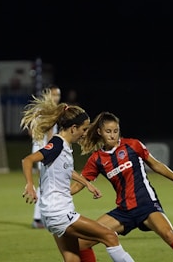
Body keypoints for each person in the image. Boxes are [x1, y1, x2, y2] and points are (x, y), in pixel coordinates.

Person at [20, 90, 135, 262]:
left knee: (73, 258)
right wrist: (29, 184)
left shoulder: (65, 146)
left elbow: (64, 170)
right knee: (109, 235)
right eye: (84, 129)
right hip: (58, 213)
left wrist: (87, 183)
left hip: (54, 212)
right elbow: (28, 160)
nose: (85, 133)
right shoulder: (57, 144)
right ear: (73, 128)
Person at [72, 111, 173, 262]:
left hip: (146, 204)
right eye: (108, 131)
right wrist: (57, 195)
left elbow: (156, 165)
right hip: (124, 210)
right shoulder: (97, 159)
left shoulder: (132, 145)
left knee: (169, 234)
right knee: (82, 242)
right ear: (100, 132)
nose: (113, 135)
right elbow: (78, 184)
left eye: (116, 131)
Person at [30, 84, 61, 229]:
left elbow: (31, 130)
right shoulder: (49, 110)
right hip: (45, 149)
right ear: (47, 95)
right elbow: (49, 132)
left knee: (45, 183)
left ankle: (41, 217)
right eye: (54, 95)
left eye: (58, 95)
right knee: (45, 184)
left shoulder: (39, 109)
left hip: (39, 147)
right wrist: (50, 149)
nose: (56, 98)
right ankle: (38, 218)